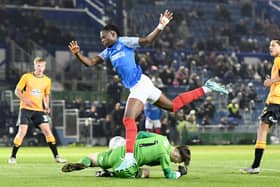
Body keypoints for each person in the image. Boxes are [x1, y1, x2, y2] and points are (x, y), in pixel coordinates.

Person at [68, 10, 228, 172]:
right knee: (173, 106)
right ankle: (207, 88)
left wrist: (161, 25)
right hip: (143, 84)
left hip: (139, 85)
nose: (102, 40)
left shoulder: (124, 42)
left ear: (113, 34)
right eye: (101, 38)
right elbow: (90, 62)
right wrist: (77, 54)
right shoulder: (108, 51)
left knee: (128, 120)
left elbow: (147, 40)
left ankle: (129, 159)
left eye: (104, 36)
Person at [8, 57, 67, 164]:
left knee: (48, 131)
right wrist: (26, 100)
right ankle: (12, 157)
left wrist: (47, 106)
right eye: (38, 66)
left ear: (45, 67)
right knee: (22, 132)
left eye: (42, 66)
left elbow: (46, 95)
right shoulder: (27, 77)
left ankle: (57, 157)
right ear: (34, 66)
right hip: (25, 109)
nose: (40, 68)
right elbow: (17, 91)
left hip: (38, 110)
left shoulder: (47, 80)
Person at [61, 131, 190, 179]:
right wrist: (180, 173)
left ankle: (84, 163)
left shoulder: (163, 139)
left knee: (93, 157)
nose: (177, 163)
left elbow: (141, 134)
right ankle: (111, 174)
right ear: (177, 153)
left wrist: (135, 145)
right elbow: (169, 175)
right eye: (179, 160)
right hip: (127, 166)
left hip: (121, 150)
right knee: (146, 172)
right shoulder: (165, 156)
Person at [240, 39, 280, 174]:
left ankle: (255, 166)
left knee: (262, 130)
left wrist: (271, 81)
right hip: (276, 101)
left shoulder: (278, 60)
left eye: (273, 45)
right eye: (269, 45)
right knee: (262, 129)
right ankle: (255, 166)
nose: (270, 47)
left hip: (276, 102)